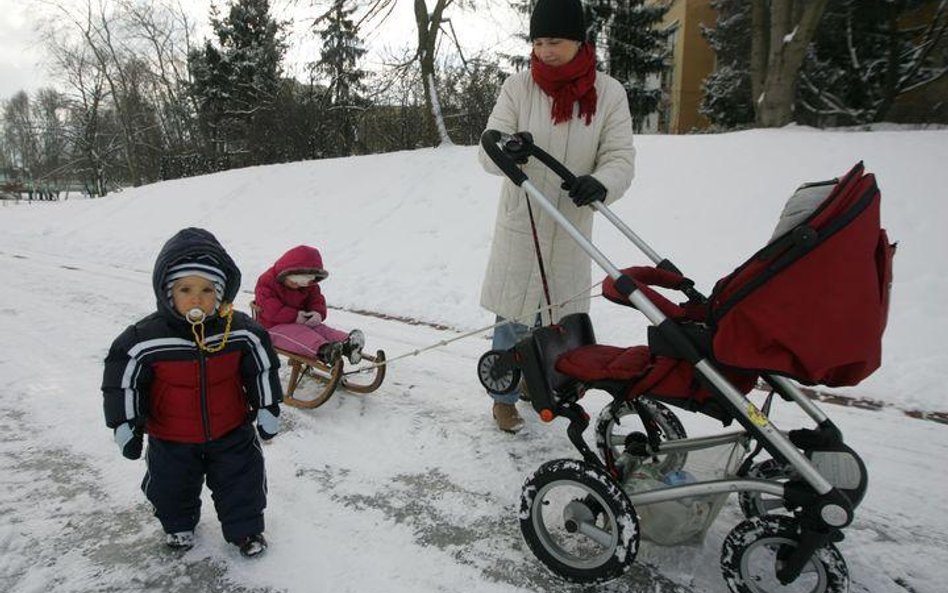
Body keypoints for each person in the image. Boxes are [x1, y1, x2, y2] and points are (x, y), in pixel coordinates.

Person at [477, 0, 636, 433]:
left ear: (580, 40)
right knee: (513, 318)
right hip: (523, 220)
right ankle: (503, 395)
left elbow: (620, 156)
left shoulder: (608, 93)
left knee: (557, 321)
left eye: (556, 42)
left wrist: (601, 182)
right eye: (539, 42)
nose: (545, 51)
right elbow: (487, 149)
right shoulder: (518, 88)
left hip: (569, 225)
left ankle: (538, 383)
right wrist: (507, 150)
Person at [101, 227, 283, 558]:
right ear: (168, 292)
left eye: (207, 289)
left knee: (242, 480)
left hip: (231, 429)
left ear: (222, 292)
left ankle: (246, 530)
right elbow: (122, 379)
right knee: (170, 484)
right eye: (185, 289)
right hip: (171, 435)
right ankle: (178, 524)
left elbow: (262, 366)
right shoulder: (145, 338)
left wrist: (268, 406)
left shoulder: (240, 332)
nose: (196, 298)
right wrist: (125, 423)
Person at [254, 245, 365, 365]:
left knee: (321, 329)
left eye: (303, 284)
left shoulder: (309, 285)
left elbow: (316, 300)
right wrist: (295, 316)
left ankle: (348, 344)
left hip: (301, 321)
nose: (299, 286)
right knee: (300, 335)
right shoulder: (267, 281)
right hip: (272, 327)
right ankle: (324, 350)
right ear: (286, 273)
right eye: (294, 282)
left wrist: (316, 313)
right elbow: (270, 308)